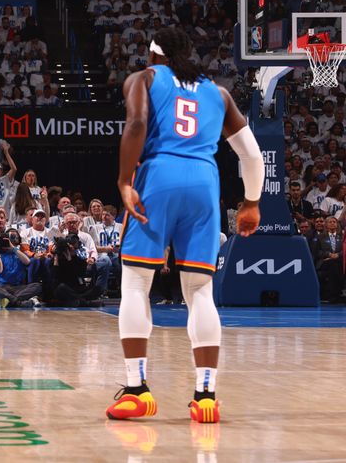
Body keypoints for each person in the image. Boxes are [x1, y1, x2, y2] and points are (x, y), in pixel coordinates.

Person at [107, 28, 262, 424]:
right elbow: (251, 154)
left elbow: (137, 125)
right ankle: (206, 395)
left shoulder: (145, 78)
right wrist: (251, 203)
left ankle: (138, 390)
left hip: (159, 176)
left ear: (153, 56)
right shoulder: (220, 93)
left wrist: (125, 181)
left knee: (137, 282)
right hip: (205, 184)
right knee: (200, 290)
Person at [0, 228, 42, 308]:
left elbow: (27, 262)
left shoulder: (19, 252)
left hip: (18, 288)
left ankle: (8, 300)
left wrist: (13, 248)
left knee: (37, 286)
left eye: (14, 237)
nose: (12, 239)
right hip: (2, 286)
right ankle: (19, 303)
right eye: (10, 237)